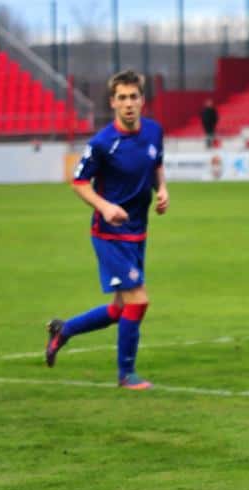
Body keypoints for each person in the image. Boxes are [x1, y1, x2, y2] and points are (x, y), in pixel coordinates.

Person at [44, 69, 169, 389]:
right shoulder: (102, 143)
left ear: (142, 100)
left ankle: (64, 330)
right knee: (138, 301)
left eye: (134, 97)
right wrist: (105, 206)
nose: (129, 104)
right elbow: (79, 182)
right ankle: (126, 374)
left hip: (138, 232)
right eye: (122, 98)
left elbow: (156, 165)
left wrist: (163, 190)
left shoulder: (154, 132)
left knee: (119, 309)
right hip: (109, 236)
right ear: (113, 102)